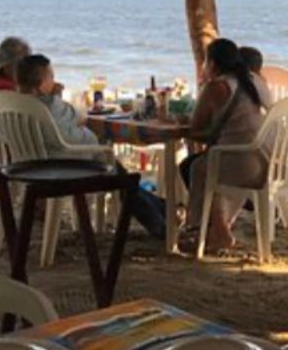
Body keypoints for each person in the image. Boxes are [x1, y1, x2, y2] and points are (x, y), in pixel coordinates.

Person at [15, 54, 166, 240]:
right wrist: (58, 99)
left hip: (30, 166)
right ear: (40, 85)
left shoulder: (11, 104)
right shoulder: (50, 105)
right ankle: (159, 224)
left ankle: (160, 208)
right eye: (51, 77)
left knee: (120, 173)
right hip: (63, 168)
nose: (55, 80)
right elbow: (81, 119)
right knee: (122, 177)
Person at [179, 39, 269, 254]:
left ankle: (212, 230)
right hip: (264, 161)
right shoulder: (254, 82)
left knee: (194, 167)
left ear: (213, 63)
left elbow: (195, 127)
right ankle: (219, 229)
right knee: (203, 165)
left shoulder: (217, 87)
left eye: (206, 62)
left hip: (236, 163)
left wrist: (177, 120)